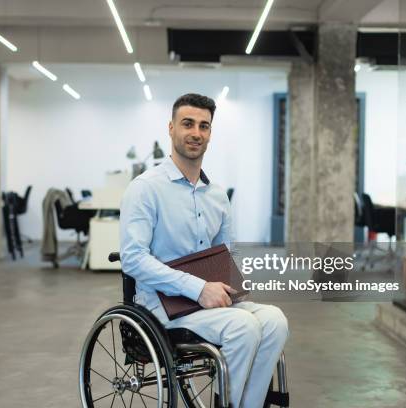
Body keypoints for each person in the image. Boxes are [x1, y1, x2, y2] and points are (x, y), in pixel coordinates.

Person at [120, 93, 288, 408]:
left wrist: (234, 285)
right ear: (171, 128)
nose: (196, 132)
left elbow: (226, 255)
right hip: (161, 307)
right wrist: (197, 288)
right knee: (244, 327)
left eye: (204, 126)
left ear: (210, 133)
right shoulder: (145, 189)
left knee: (275, 319)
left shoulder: (217, 196)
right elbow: (133, 259)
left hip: (210, 302)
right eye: (188, 124)